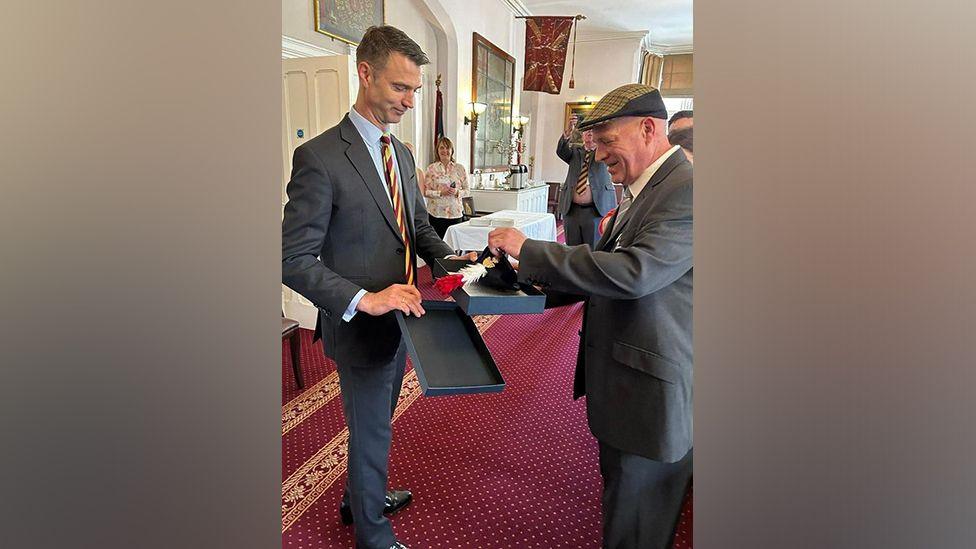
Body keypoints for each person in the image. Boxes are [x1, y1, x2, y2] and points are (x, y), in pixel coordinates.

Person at [281, 25, 474, 549]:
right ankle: (374, 535)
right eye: (400, 88)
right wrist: (365, 299)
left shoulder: (403, 154)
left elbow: (418, 227)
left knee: (376, 425)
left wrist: (457, 259)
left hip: (404, 321)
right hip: (360, 322)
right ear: (365, 74)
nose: (411, 101)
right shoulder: (320, 158)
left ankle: (356, 497)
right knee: (371, 432)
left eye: (415, 89)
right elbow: (291, 258)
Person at [487, 83, 693, 549]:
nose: (598, 156)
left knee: (635, 529)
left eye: (605, 141)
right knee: (621, 510)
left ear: (647, 128)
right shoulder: (646, 187)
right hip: (625, 390)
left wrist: (534, 251)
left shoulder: (689, 189)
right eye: (594, 143)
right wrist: (520, 281)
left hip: (652, 400)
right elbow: (603, 275)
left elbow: (634, 273)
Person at [556, 114, 617, 248]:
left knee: (594, 249)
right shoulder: (574, 152)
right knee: (572, 250)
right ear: (581, 135)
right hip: (572, 210)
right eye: (586, 131)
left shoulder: (605, 152)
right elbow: (561, 151)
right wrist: (568, 132)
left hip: (596, 209)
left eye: (592, 130)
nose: (589, 133)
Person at [423, 136, 468, 238]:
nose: (445, 150)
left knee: (453, 247)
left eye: (447, 148)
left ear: (452, 151)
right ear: (437, 151)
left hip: (455, 214)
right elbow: (425, 192)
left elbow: (467, 190)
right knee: (437, 247)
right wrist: (440, 193)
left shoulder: (460, 168)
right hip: (436, 215)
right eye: (441, 148)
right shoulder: (431, 169)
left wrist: (457, 192)